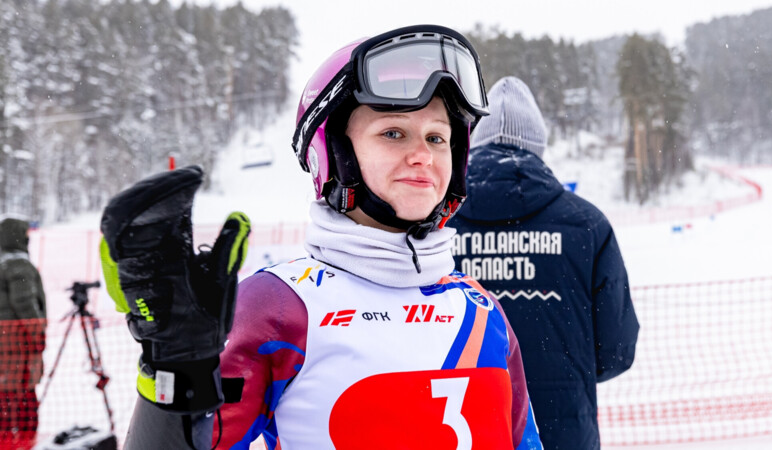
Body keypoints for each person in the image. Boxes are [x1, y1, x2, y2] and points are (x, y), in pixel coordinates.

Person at [100, 26, 543, 449]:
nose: (422, 156)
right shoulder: (277, 307)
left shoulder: (482, 310)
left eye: (437, 137)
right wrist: (175, 368)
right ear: (332, 154)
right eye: (393, 133)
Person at [448, 76, 639, 450]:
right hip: (563, 433)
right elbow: (616, 351)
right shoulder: (587, 225)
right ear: (538, 146)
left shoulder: (436, 223)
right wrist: (560, 371)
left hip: (462, 431)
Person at [0, 217, 47, 450]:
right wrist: (38, 333)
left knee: (6, 392)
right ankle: (24, 441)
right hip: (17, 343)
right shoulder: (18, 264)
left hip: (5, 341)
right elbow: (25, 303)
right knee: (23, 393)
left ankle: (7, 439)